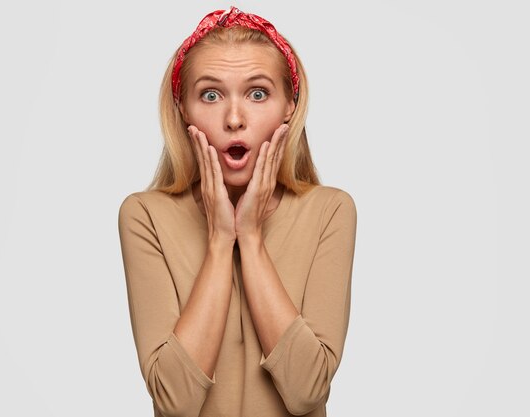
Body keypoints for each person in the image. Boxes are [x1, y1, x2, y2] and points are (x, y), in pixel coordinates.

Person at [118, 6, 357, 417]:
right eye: (210, 95)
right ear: (183, 110)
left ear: (289, 106)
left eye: (258, 93)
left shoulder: (330, 210)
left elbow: (306, 391)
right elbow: (175, 402)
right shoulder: (145, 216)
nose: (233, 118)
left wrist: (250, 237)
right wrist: (218, 241)